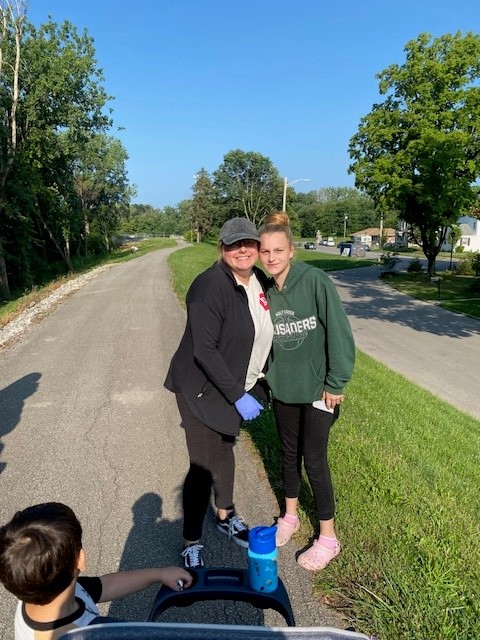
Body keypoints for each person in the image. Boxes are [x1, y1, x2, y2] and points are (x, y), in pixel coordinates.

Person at [164, 217, 273, 569]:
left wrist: (255, 384)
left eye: (249, 244)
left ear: (257, 247)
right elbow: (205, 350)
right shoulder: (209, 286)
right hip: (200, 387)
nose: (242, 250)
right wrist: (236, 394)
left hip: (235, 386)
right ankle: (191, 541)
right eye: (233, 244)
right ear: (222, 248)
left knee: (225, 450)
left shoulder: (259, 282)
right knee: (202, 462)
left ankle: (225, 515)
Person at [258, 212, 355, 571]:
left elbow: (339, 333)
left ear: (291, 251)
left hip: (319, 391)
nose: (271, 257)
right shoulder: (266, 290)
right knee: (287, 456)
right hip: (285, 389)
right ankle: (290, 516)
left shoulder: (314, 281)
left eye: (278, 250)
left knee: (314, 460)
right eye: (265, 251)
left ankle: (328, 537)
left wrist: (336, 382)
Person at [0, 502, 192, 638]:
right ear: (81, 559)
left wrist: (157, 574)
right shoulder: (99, 633)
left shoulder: (38, 587)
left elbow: (103, 586)